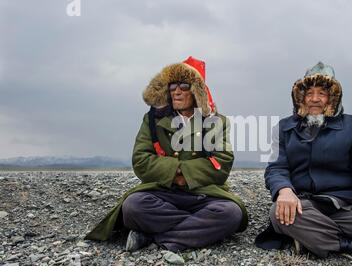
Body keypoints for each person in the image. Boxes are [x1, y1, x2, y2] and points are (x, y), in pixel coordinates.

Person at [85, 56, 248, 252]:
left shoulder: (216, 122)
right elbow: (141, 160)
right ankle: (192, 232)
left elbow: (221, 163)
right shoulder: (152, 120)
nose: (176, 91)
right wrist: (176, 173)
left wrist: (184, 177)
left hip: (204, 193)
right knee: (133, 207)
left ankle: (152, 237)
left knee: (230, 214)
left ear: (197, 91)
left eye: (184, 85)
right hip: (162, 191)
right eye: (172, 86)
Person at [255, 62, 352, 261]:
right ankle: (351, 245)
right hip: (304, 203)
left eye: (322, 93)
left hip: (345, 205)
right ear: (301, 97)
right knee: (279, 212)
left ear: (333, 97)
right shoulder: (284, 127)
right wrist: (285, 191)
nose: (315, 99)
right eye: (309, 93)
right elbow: (276, 167)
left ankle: (311, 237)